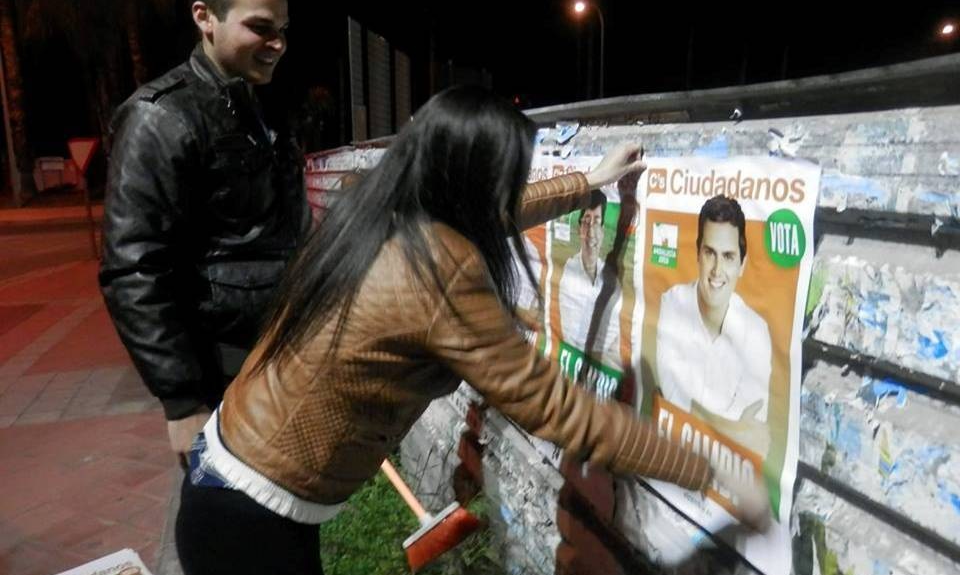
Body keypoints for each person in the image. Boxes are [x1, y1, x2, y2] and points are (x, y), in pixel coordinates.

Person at [175, 87, 770, 574]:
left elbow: (492, 217)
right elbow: (558, 409)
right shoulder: (437, 270)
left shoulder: (378, 213)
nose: (511, 188)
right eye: (508, 175)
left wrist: (587, 184)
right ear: (474, 179)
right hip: (251, 521)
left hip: (227, 476)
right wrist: (709, 471)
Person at [99, 0, 306, 465]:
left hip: (275, 363)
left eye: (283, 29)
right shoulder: (159, 118)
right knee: (223, 517)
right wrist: (182, 400)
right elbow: (133, 268)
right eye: (260, 28)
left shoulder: (260, 103)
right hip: (218, 385)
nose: (278, 44)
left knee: (286, 519)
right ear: (204, 17)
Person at [655, 195, 772, 455]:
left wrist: (692, 411)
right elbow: (673, 398)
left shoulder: (756, 332)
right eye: (710, 253)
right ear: (697, 253)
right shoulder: (673, 304)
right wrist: (731, 428)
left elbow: (754, 429)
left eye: (729, 256)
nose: (717, 270)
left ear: (742, 265)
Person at [558, 189, 624, 370]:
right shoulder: (570, 272)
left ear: (603, 230)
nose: (591, 232)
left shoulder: (612, 281)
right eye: (587, 222)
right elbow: (575, 341)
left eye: (596, 222)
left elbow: (614, 343)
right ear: (580, 228)